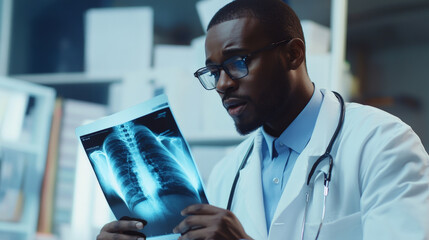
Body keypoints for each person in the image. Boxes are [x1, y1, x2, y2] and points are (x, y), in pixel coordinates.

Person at [97, 0, 429, 239]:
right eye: (213, 72)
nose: (223, 84)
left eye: (238, 62)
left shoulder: (383, 143)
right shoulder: (228, 174)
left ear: (293, 54)